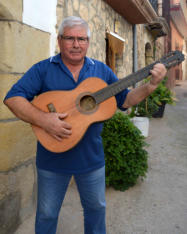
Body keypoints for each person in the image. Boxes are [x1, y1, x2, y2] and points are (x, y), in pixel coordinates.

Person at [4, 16, 167, 234]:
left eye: (81, 39)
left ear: (88, 42)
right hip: (52, 160)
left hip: (91, 160)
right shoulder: (43, 69)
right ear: (60, 40)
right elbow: (13, 98)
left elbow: (126, 100)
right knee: (47, 214)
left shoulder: (101, 71)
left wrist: (152, 85)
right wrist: (44, 120)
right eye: (69, 38)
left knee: (96, 210)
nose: (76, 44)